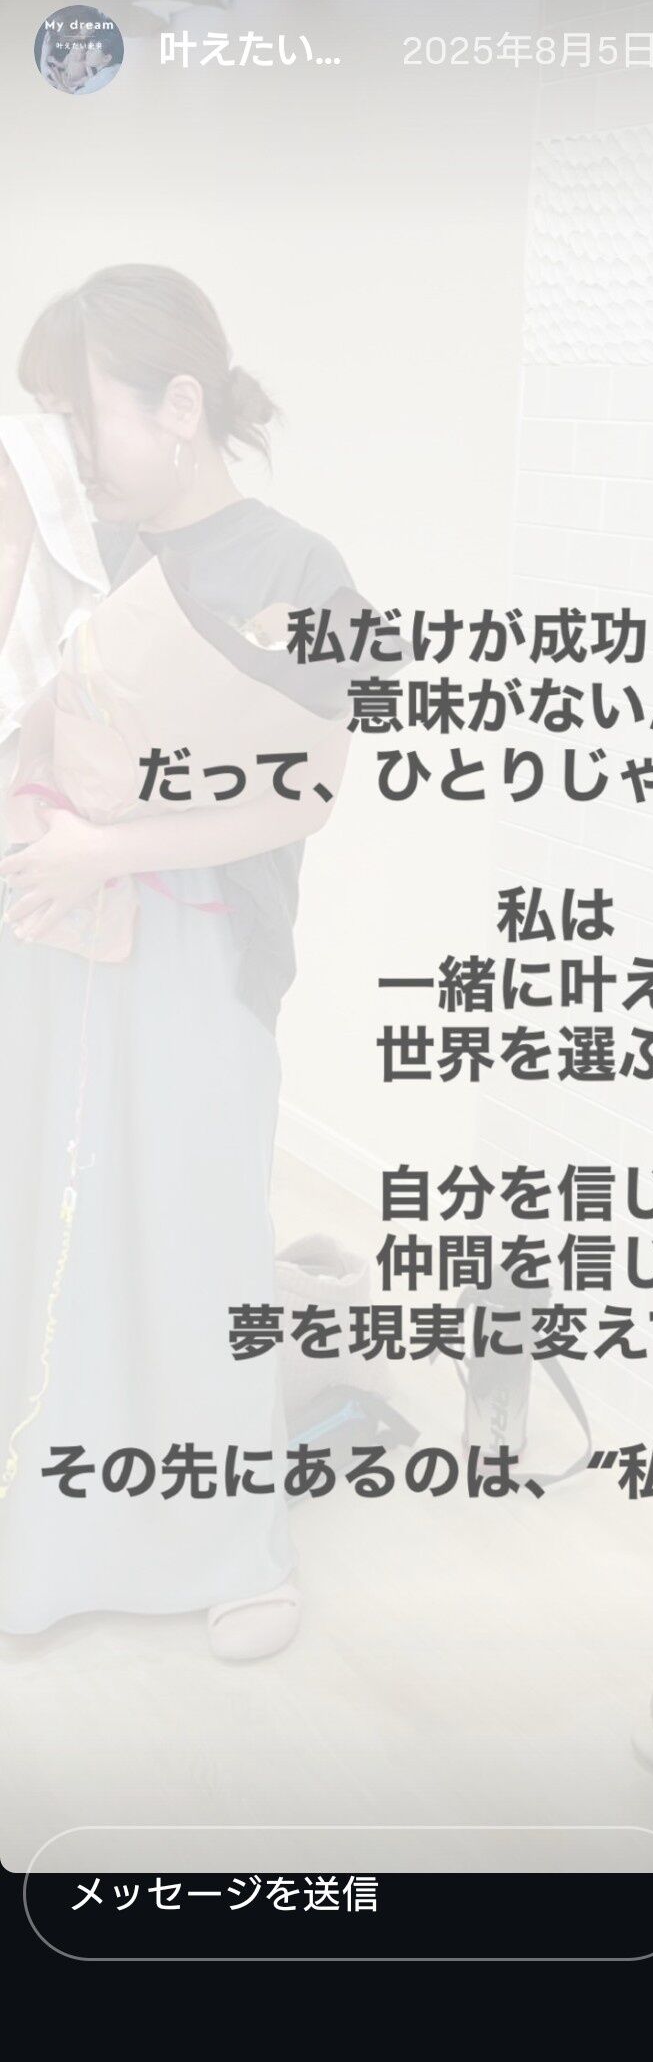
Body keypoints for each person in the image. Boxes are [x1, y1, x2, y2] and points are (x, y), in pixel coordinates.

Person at [0, 264, 368, 1661]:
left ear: (178, 405)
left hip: (200, 945)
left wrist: (115, 844)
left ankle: (227, 1545)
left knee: (197, 1231)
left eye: (75, 412)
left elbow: (305, 795)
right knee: (57, 1224)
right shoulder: (72, 549)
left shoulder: (299, 571)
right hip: (56, 933)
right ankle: (56, 1529)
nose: (67, 446)